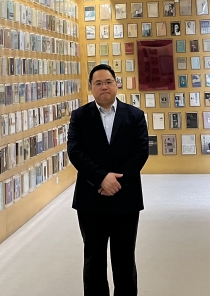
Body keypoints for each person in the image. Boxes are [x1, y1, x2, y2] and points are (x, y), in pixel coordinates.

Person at [68, 64, 149, 296]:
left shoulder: (134, 116)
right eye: (98, 83)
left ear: (116, 84)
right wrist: (101, 178)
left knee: (125, 261)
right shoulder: (79, 117)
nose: (104, 87)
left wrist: (117, 182)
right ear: (91, 87)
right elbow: (75, 151)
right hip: (91, 199)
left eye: (108, 82)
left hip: (126, 199)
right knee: (94, 261)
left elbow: (141, 152)